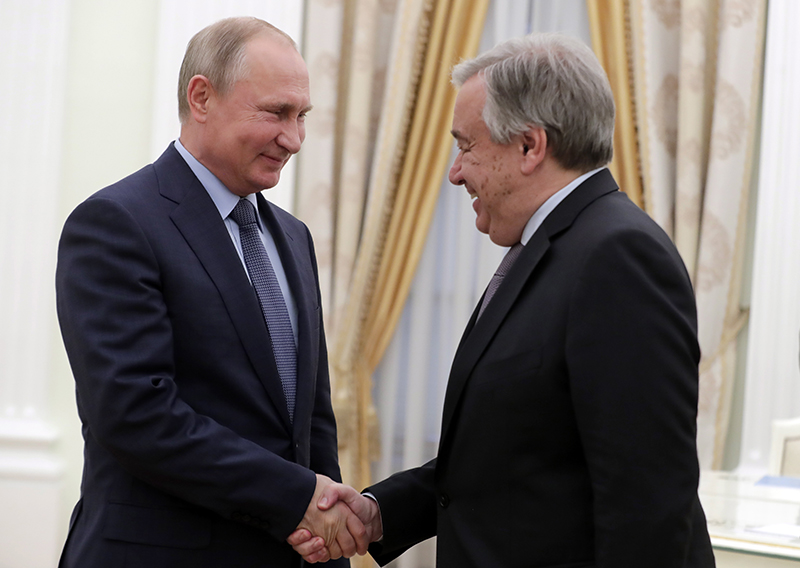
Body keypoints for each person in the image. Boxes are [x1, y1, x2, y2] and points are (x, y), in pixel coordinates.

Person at [288, 32, 716, 568]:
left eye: (466, 145)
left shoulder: (617, 256)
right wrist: (380, 511)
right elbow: (514, 458)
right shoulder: (555, 247)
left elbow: (647, 502)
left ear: (530, 146)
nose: (454, 171)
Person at [55, 17, 367, 568]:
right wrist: (296, 500)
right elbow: (136, 414)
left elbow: (310, 420)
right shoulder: (116, 223)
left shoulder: (294, 238)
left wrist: (329, 538)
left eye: (301, 117)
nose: (293, 139)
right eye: (275, 112)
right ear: (202, 97)